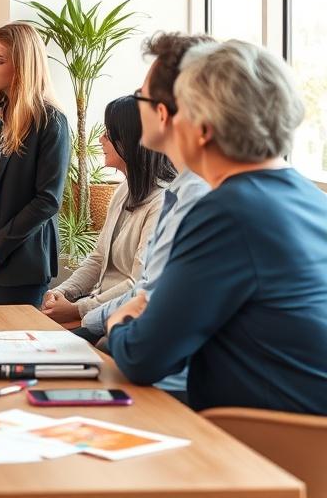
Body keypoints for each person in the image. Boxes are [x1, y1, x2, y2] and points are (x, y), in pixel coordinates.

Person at [107, 40, 327, 414]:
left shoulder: (228, 211)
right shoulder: (311, 200)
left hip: (262, 443)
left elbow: (143, 357)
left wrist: (119, 320)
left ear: (203, 128)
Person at [78, 33, 212, 401]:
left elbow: (143, 342)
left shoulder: (210, 203)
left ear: (163, 113)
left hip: (190, 399)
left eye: (141, 96)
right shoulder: (184, 191)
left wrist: (107, 322)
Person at [0, 22, 70, 308]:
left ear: (22, 65)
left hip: (21, 263)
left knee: (15, 350)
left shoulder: (51, 122)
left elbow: (47, 200)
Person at [41, 95, 175, 326]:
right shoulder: (125, 188)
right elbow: (98, 257)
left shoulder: (163, 202)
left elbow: (137, 282)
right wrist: (61, 293)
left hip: (124, 322)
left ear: (130, 140)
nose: (101, 139)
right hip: (96, 312)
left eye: (108, 133)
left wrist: (77, 310)